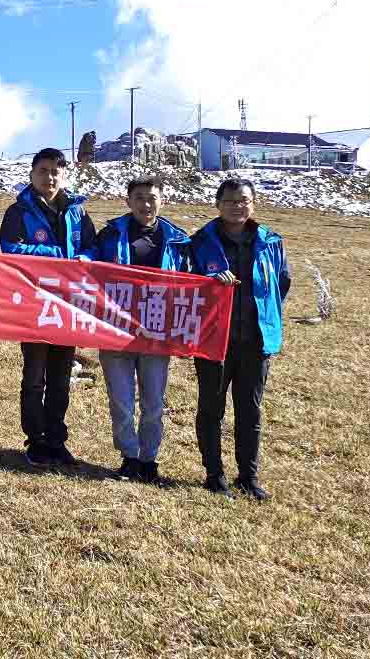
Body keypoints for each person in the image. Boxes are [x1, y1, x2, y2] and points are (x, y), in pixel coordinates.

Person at [190, 178, 290, 501]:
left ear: (253, 203)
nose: (237, 206)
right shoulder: (200, 241)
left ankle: (248, 476)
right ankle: (214, 474)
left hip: (256, 341)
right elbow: (187, 283)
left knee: (250, 410)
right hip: (214, 341)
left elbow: (282, 282)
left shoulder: (270, 242)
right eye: (230, 201)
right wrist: (210, 281)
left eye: (244, 200)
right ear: (218, 205)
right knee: (211, 409)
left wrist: (265, 315)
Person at [88, 176, 191, 483]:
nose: (146, 204)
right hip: (117, 328)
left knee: (153, 401)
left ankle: (149, 459)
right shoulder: (110, 234)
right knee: (121, 399)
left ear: (162, 201)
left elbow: (191, 280)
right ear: (128, 201)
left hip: (157, 329)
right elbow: (91, 266)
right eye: (139, 198)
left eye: (152, 198)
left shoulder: (178, 240)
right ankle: (129, 456)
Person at [0, 147, 97, 468]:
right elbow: (12, 248)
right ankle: (35, 439)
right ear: (32, 174)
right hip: (34, 304)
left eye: (56, 171)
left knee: (60, 376)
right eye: (43, 171)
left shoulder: (77, 212)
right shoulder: (18, 211)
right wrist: (59, 256)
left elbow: (92, 248)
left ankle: (57, 439)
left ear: (64, 175)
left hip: (67, 305)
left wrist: (84, 258)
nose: (49, 177)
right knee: (34, 376)